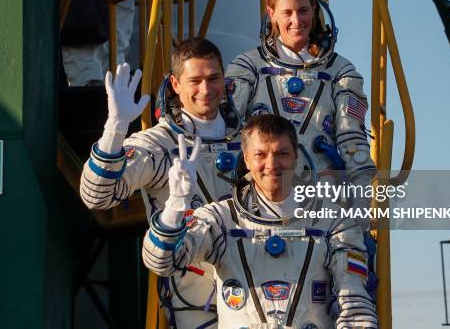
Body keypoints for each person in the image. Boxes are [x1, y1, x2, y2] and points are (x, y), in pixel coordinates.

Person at [143, 114, 378, 328]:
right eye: (260, 155)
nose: (272, 164)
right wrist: (174, 206)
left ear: (296, 156)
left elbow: (355, 305)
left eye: (282, 153)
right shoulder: (222, 220)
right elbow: (161, 262)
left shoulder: (334, 223)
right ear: (246, 159)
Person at [80, 38, 244, 328]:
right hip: (198, 301)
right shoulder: (159, 145)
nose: (205, 90)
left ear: (225, 80)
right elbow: (97, 196)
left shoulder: (251, 140)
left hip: (257, 286)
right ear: (176, 84)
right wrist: (115, 129)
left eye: (213, 78)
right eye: (194, 80)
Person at [225, 0, 376, 227]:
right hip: (260, 199)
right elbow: (225, 131)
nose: (297, 20)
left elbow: (353, 143)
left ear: (314, 9)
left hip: (321, 198)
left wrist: (360, 214)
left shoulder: (340, 71)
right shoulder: (248, 66)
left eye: (303, 10)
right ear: (271, 14)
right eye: (287, 12)